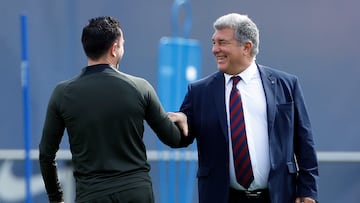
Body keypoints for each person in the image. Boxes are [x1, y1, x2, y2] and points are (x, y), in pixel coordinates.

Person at [169, 13, 319, 203]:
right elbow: (181, 139)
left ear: (246, 47)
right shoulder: (199, 92)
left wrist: (308, 191)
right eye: (213, 42)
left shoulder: (286, 84)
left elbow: (304, 141)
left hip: (279, 196)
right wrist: (178, 121)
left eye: (222, 42)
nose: (215, 49)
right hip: (223, 197)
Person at [39, 16, 187, 203]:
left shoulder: (63, 93)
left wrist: (56, 198)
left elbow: (46, 154)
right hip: (136, 193)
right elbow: (174, 139)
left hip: (92, 195)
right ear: (114, 49)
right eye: (123, 44)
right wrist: (183, 120)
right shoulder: (140, 88)